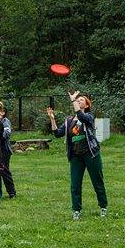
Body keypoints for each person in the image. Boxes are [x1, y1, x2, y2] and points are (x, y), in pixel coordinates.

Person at [47, 91, 108, 220]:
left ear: (86, 105)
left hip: (91, 154)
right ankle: (76, 210)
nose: (78, 101)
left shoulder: (89, 117)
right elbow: (57, 133)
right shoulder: (69, 120)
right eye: (77, 100)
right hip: (75, 156)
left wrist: (73, 100)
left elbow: (81, 116)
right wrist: (52, 119)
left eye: (81, 100)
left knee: (97, 181)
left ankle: (103, 207)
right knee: (75, 184)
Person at [0, 101, 16, 198]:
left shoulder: (5, 121)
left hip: (4, 150)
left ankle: (12, 192)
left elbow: (6, 135)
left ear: (3, 112)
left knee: (4, 170)